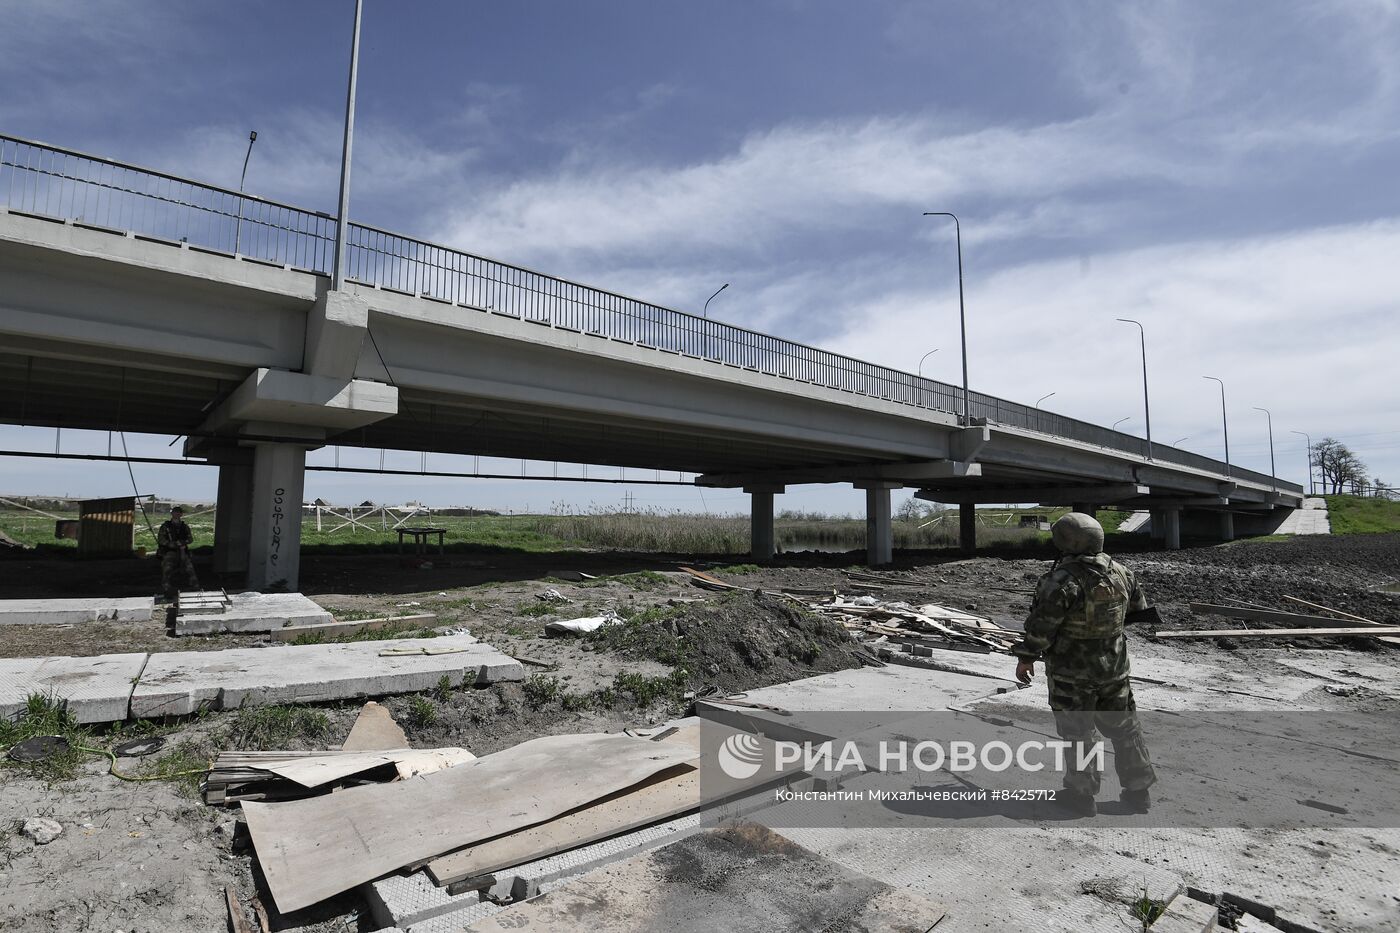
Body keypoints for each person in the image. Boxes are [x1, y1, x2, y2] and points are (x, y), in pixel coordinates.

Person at [1012, 512, 1156, 816]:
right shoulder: (1122, 573)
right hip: (1114, 669)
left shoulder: (1060, 581)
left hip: (1071, 674)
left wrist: (1026, 658)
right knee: (1126, 729)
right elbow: (1137, 611)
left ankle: (1081, 796)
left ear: (1065, 542)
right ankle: (1139, 791)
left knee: (1078, 735)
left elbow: (1041, 628)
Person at [157, 505, 199, 603]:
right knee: (167, 571)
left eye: (178, 512)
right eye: (175, 512)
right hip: (170, 552)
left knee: (190, 569)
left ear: (181, 514)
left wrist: (183, 543)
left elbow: (190, 539)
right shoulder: (165, 526)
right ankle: (167, 592)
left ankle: (195, 591)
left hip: (183, 551)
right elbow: (161, 540)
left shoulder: (185, 526)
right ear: (172, 514)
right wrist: (172, 544)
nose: (177, 514)